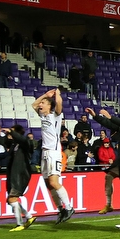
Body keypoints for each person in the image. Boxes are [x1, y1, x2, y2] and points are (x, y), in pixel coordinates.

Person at [33, 88, 76, 224]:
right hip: (44, 152)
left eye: (44, 103)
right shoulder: (42, 116)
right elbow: (34, 105)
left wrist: (56, 93)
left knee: (53, 182)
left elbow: (58, 103)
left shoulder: (55, 115)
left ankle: (69, 207)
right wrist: (45, 95)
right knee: (47, 183)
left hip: (53, 152)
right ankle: (60, 209)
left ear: (49, 106)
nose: (40, 105)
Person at [0, 123, 35, 231]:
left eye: (11, 131)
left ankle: (19, 224)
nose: (8, 133)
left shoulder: (26, 143)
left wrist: (12, 132)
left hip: (21, 174)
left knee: (12, 198)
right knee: (11, 199)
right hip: (13, 174)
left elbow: (21, 139)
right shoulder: (13, 144)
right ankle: (29, 217)